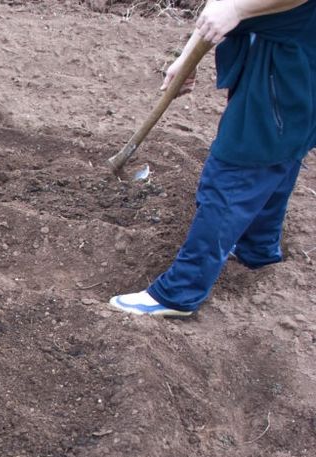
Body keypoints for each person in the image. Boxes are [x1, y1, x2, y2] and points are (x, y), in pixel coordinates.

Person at [109, 0, 316, 317]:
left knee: (232, 175)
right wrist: (189, 55)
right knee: (275, 157)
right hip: (282, 63)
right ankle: (257, 249)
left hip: (290, 68)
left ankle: (179, 292)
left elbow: (232, 5)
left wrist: (238, 11)